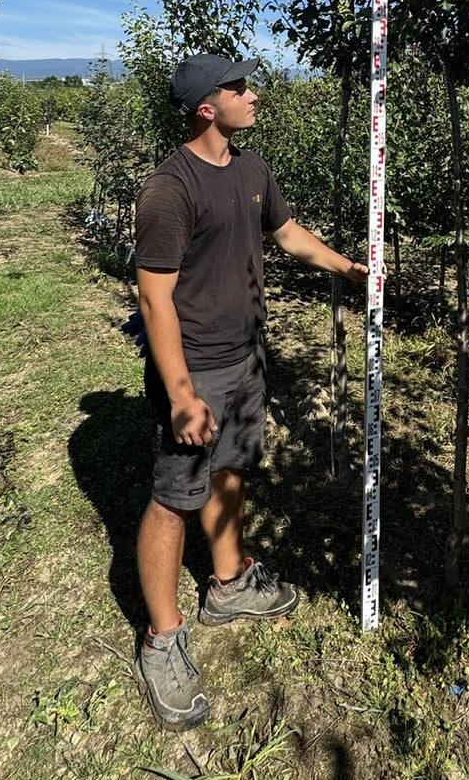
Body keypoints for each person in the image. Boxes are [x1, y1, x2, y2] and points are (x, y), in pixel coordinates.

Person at [132, 53, 367, 731]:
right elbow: (154, 299)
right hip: (194, 365)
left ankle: (229, 582)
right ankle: (162, 638)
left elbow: (287, 233)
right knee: (174, 497)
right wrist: (180, 392)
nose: (252, 94)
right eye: (238, 87)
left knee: (232, 466)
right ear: (206, 105)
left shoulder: (253, 170)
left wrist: (344, 266)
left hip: (243, 357)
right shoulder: (169, 190)